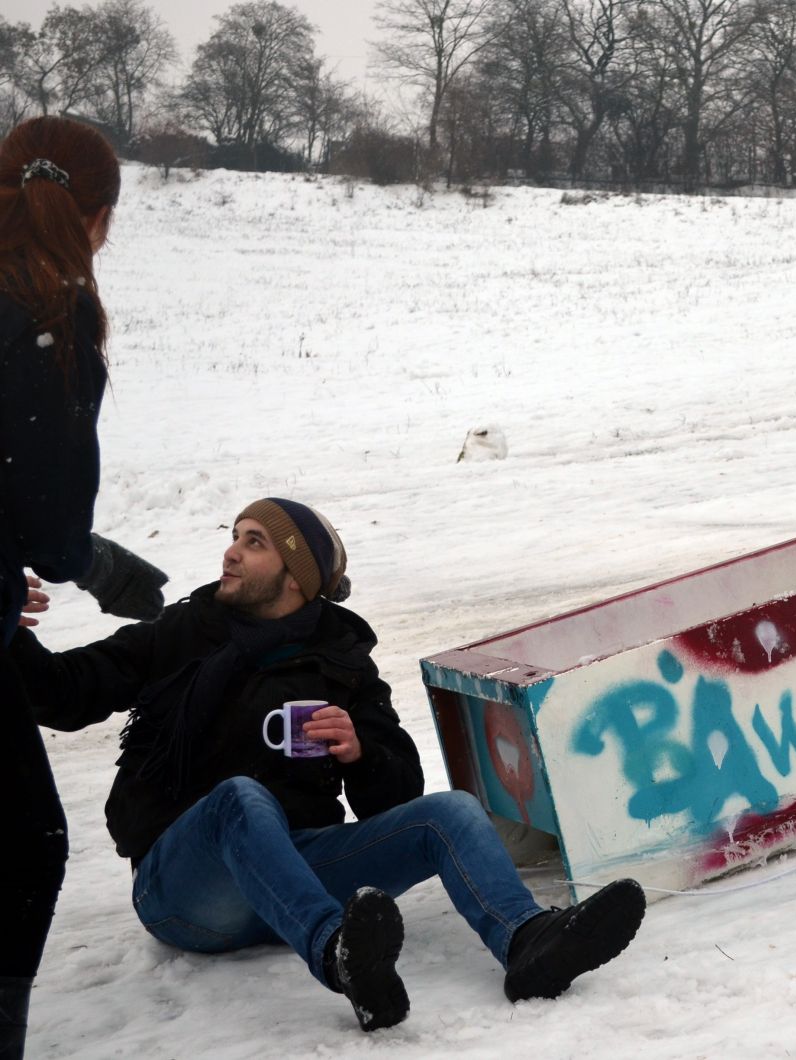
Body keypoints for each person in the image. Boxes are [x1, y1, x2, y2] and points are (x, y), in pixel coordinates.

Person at [10, 498, 647, 1033]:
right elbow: (65, 693)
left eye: (253, 542)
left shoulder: (342, 662)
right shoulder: (180, 632)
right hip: (187, 890)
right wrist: (6, 623)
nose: (230, 552)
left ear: (296, 575)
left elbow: (395, 794)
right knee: (240, 798)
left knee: (450, 812)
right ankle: (338, 954)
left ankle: (527, 942)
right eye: (233, 538)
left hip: (300, 867)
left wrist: (361, 751)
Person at [0, 114, 159, 1060]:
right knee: (23, 847)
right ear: (97, 217)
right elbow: (54, 522)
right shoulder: (51, 321)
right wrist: (94, 566)